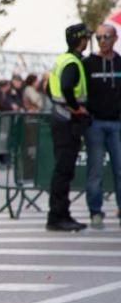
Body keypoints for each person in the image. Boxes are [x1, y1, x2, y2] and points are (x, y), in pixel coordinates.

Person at [46, 24, 91, 232]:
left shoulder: (61, 60)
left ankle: (60, 214)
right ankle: (57, 216)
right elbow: (65, 87)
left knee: (63, 170)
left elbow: (49, 89)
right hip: (67, 122)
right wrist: (75, 108)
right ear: (81, 40)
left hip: (59, 118)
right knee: (64, 171)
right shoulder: (73, 63)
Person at [82, 23, 121, 229]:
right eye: (98, 38)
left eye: (106, 36)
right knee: (95, 170)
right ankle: (95, 211)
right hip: (95, 122)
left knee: (119, 169)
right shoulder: (89, 63)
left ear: (115, 38)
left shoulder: (120, 62)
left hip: (117, 122)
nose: (102, 41)